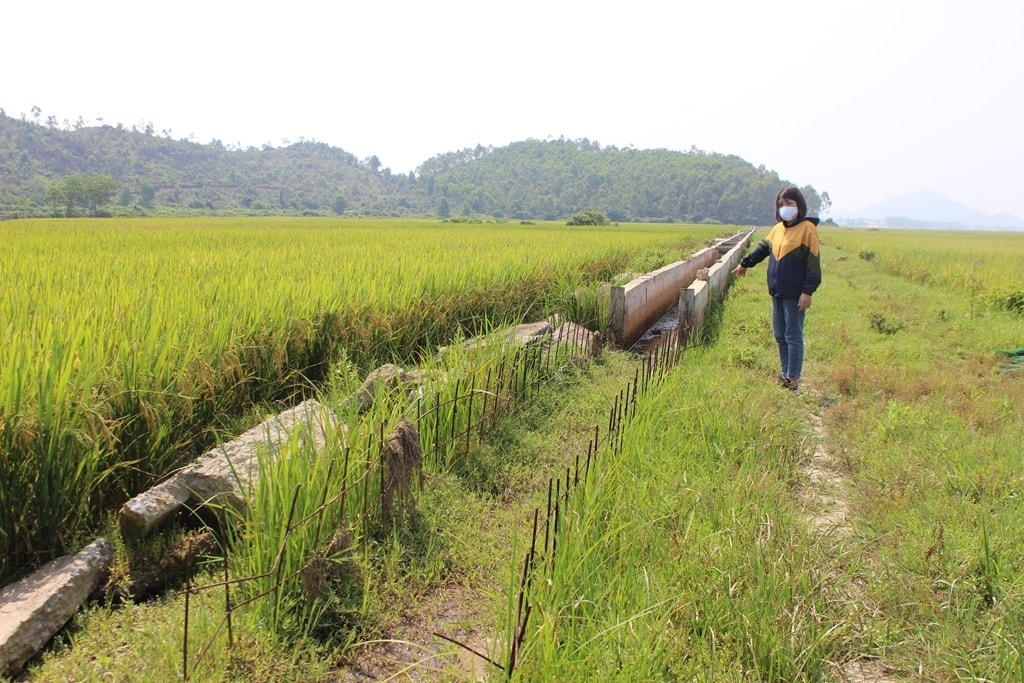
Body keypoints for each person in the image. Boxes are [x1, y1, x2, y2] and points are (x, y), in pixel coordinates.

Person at [732, 186, 821, 392]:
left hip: (795, 294)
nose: (785, 208)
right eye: (781, 205)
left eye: (789, 204)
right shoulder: (778, 229)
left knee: (793, 335)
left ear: (799, 205)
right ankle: (785, 373)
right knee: (780, 334)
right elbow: (762, 249)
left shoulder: (807, 229)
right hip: (777, 292)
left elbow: (813, 265)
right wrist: (745, 263)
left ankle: (793, 379)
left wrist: (807, 291)